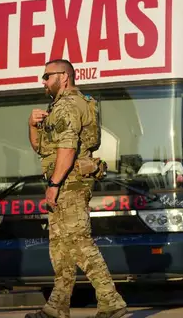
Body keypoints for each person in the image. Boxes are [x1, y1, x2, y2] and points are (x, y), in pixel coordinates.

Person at [26, 59, 127, 318]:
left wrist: (54, 185)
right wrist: (32, 126)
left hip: (69, 183)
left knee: (79, 242)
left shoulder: (69, 106)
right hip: (65, 183)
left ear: (64, 77)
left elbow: (68, 150)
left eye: (47, 76)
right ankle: (57, 307)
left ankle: (110, 300)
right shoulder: (59, 107)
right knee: (60, 248)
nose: (43, 81)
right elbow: (41, 149)